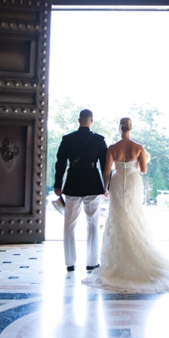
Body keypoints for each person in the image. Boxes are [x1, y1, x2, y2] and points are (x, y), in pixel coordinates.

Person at [83, 117, 169, 293]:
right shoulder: (139, 148)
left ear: (119, 129)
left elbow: (106, 171)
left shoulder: (112, 148)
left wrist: (105, 188)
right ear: (131, 128)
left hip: (118, 182)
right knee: (134, 215)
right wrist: (139, 161)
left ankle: (120, 259)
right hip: (133, 183)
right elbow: (143, 170)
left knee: (119, 217)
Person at [54, 109, 108, 273]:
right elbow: (106, 165)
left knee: (69, 224)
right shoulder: (99, 140)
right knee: (92, 224)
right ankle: (92, 262)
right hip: (92, 182)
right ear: (91, 121)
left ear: (79, 120)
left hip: (73, 183)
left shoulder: (67, 139)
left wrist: (58, 184)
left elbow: (60, 163)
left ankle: (70, 262)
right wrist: (107, 187)